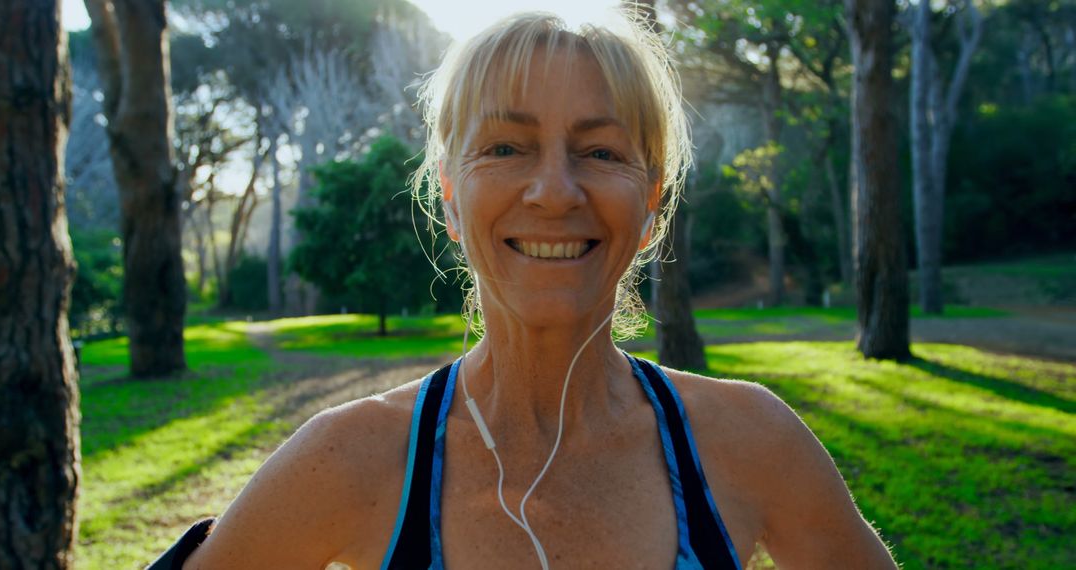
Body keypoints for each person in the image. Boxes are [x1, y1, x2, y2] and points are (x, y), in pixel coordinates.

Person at [158, 9, 899, 570]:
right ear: (450, 200)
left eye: (600, 151)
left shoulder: (752, 442)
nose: (553, 191)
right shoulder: (348, 458)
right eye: (506, 148)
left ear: (651, 204)